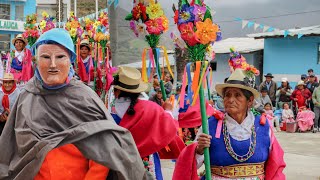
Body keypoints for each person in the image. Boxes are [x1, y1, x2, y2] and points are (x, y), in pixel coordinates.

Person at [0, 29, 145, 179]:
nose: (53, 64)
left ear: (71, 60)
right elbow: (10, 150)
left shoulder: (85, 97)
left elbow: (104, 153)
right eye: (45, 57)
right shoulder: (26, 97)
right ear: (36, 61)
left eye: (60, 56)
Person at [173, 69, 286, 180]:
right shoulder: (210, 125)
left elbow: (276, 164)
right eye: (227, 95)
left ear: (250, 101)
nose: (231, 100)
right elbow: (189, 167)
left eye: (237, 95)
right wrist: (199, 150)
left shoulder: (263, 126)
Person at [111, 66, 185, 179]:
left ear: (117, 91)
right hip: (147, 158)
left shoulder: (108, 112)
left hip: (119, 161)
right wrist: (168, 111)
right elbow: (167, 127)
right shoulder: (151, 108)